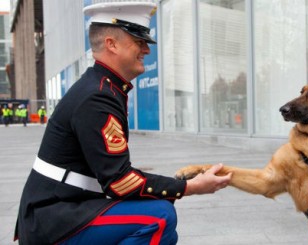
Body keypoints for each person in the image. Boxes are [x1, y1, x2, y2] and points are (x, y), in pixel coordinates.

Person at [14, 2, 231, 245]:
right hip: (53, 219)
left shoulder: (102, 87)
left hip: (66, 208)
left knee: (166, 235)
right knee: (159, 219)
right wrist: (189, 187)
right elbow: (120, 182)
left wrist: (180, 187)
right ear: (111, 44)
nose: (146, 50)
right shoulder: (97, 96)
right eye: (139, 42)